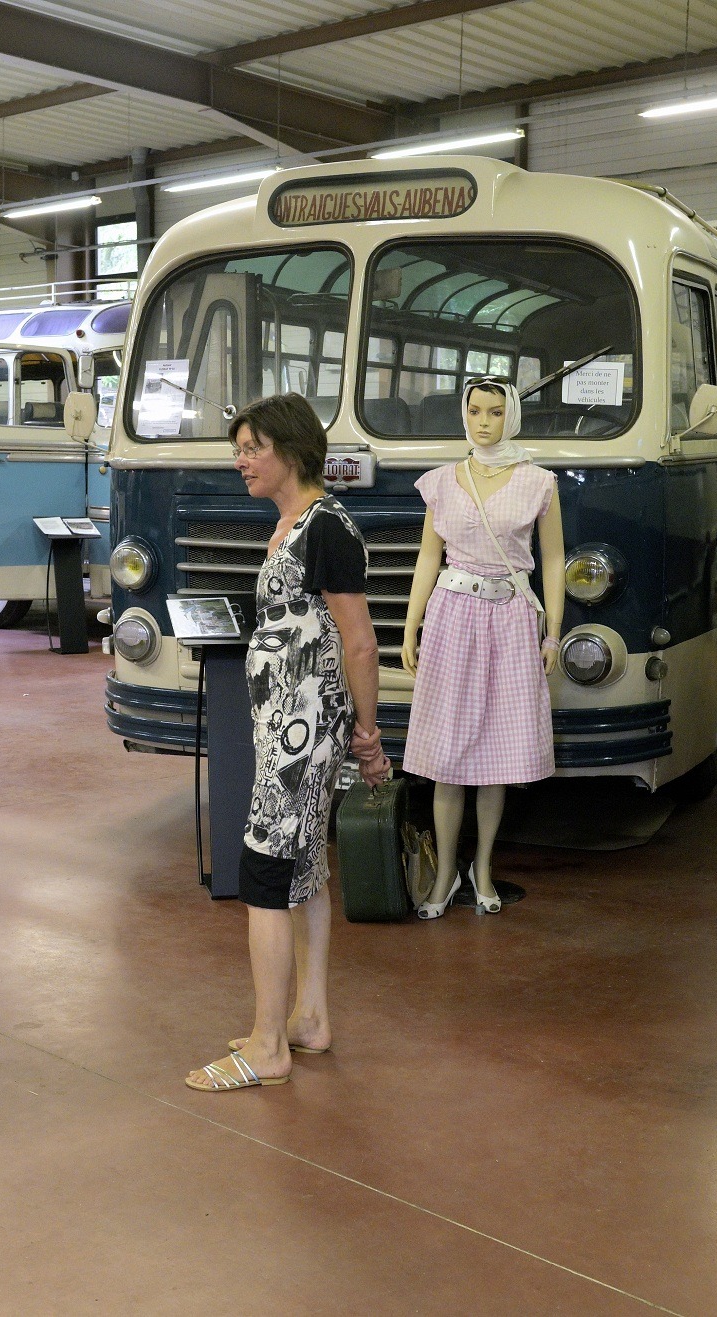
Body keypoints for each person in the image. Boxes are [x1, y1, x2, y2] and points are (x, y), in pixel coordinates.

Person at [186, 394, 389, 1094]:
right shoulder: (292, 526)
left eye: (253, 449)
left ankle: (269, 1045)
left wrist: (369, 737)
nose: (241, 461)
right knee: (303, 870)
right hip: (286, 729)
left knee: (267, 873)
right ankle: (310, 1018)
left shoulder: (326, 527)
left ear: (293, 451)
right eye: (238, 449)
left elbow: (360, 644)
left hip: (303, 737)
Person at [399, 378, 565, 916]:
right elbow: (429, 556)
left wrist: (553, 632)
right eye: (474, 411)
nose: (483, 422)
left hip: (510, 617)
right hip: (452, 616)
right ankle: (447, 872)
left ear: (510, 417)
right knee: (447, 757)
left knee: (498, 754)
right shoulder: (443, 481)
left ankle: (484, 867)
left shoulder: (538, 483)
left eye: (495, 412)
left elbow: (554, 561)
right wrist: (411, 624)